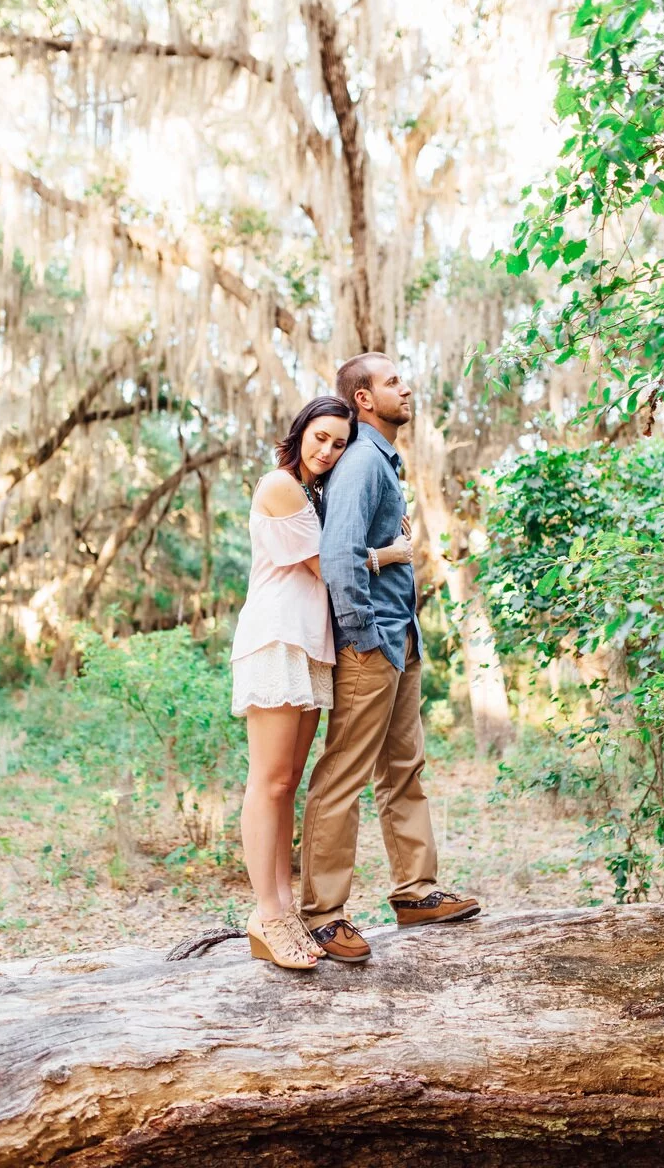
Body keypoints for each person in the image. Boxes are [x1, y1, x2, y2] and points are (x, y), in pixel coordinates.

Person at [300, 353, 480, 963]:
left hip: (400, 638)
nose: (407, 387)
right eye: (393, 381)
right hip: (371, 643)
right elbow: (339, 555)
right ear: (364, 400)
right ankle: (324, 916)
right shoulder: (359, 465)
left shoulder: (383, 462)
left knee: (404, 767)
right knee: (343, 775)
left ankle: (417, 892)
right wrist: (361, 636)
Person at [231, 396, 414, 970]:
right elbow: (327, 564)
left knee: (288, 782)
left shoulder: (314, 492)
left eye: (339, 443)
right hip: (277, 640)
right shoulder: (281, 485)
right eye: (321, 437)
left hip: (312, 647)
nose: (328, 450)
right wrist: (392, 552)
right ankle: (267, 912)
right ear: (301, 431)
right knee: (268, 781)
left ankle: (284, 909)